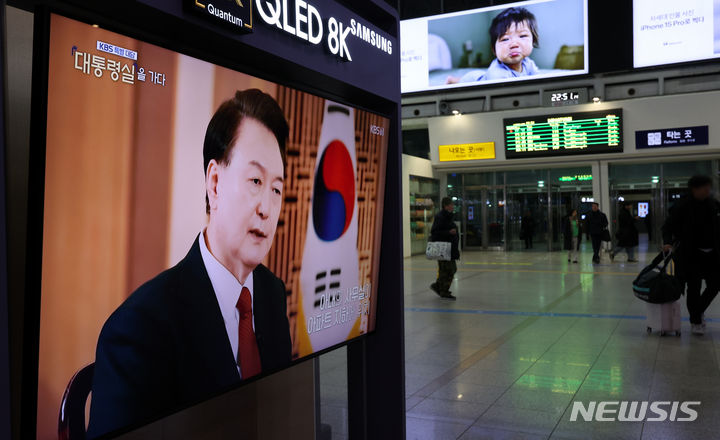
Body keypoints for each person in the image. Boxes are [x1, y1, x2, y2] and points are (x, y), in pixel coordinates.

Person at [87, 90, 293, 438]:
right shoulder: (138, 329)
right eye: (256, 181)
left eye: (276, 189)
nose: (267, 209)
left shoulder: (273, 294)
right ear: (214, 182)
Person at [662, 175, 720, 335]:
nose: (708, 191)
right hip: (690, 255)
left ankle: (697, 311)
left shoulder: (712, 204)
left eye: (709, 187)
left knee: (715, 284)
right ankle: (695, 321)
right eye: (705, 188)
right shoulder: (682, 206)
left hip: (712, 254)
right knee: (694, 288)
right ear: (695, 189)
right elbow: (667, 227)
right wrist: (667, 242)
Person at [447, 7, 539, 84]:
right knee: (466, 80)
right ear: (494, 50)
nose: (514, 44)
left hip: (482, 75)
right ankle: (451, 80)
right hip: (473, 79)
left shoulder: (528, 63)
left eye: (522, 36)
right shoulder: (497, 75)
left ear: (533, 41)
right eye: (505, 39)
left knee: (481, 75)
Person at [430, 197, 460, 300]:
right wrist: (448, 232)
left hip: (450, 248)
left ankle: (439, 287)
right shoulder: (440, 216)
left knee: (446, 270)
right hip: (443, 249)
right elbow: (434, 232)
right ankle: (443, 290)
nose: (453, 206)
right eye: (451, 204)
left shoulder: (448, 216)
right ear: (446, 206)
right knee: (449, 269)